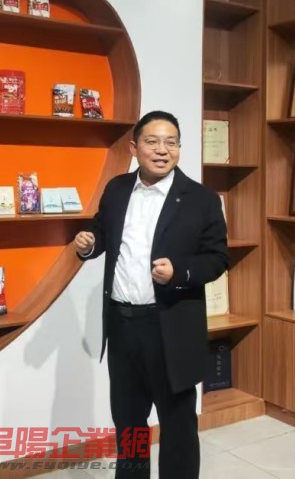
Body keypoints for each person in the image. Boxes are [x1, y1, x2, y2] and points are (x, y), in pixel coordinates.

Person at [73, 110, 228, 479]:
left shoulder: (201, 199)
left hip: (170, 326)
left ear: (179, 148)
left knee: (177, 423)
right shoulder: (117, 189)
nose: (162, 150)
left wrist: (179, 272)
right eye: (153, 142)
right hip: (122, 325)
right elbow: (103, 231)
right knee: (128, 420)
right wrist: (89, 244)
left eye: (171, 142)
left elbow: (217, 258)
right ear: (134, 148)